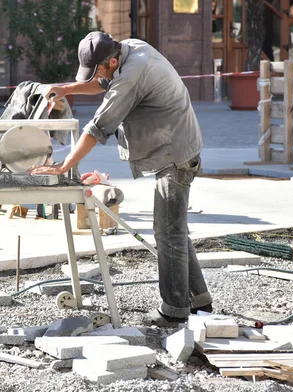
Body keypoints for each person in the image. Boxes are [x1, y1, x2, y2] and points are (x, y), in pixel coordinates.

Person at [29, 31, 212, 326]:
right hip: (175, 145)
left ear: (112, 61)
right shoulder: (129, 49)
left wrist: (65, 166)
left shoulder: (131, 75)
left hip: (175, 153)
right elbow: (102, 82)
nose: (96, 77)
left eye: (98, 69)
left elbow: (98, 127)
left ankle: (174, 310)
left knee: (167, 231)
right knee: (173, 228)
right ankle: (200, 299)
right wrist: (67, 89)